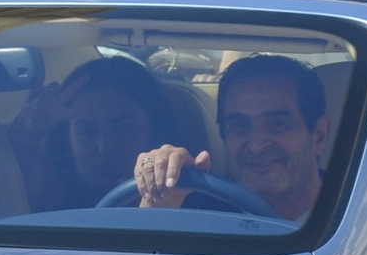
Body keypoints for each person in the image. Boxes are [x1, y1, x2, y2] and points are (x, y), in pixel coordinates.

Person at [131, 54, 330, 223]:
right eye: (240, 126)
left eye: (277, 124)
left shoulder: (353, 212)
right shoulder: (200, 216)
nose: (256, 146)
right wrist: (158, 192)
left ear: (319, 135)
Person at [16, 56, 207, 211]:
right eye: (86, 133)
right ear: (67, 141)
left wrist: (165, 180)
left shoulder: (194, 206)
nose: (104, 147)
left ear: (155, 131)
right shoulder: (45, 203)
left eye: (123, 129)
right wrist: (25, 137)